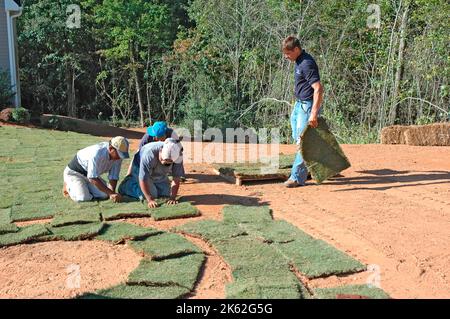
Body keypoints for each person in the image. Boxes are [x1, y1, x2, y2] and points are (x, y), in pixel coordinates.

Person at [282, 35, 324, 188]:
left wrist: (313, 113)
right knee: (297, 137)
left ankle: (296, 178)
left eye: (288, 53)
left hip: (307, 106)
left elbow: (318, 88)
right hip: (299, 105)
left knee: (303, 142)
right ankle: (315, 161)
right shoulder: (299, 60)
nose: (286, 57)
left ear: (297, 49)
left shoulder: (306, 63)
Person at [118, 138, 185, 208]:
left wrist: (173, 197)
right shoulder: (148, 155)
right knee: (151, 194)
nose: (164, 163)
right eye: (163, 160)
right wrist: (149, 199)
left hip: (157, 169)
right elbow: (143, 179)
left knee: (165, 194)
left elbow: (176, 178)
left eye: (168, 163)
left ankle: (154, 184)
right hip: (139, 165)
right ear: (160, 150)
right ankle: (126, 186)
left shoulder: (178, 156)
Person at [63, 136, 130, 202]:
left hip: (90, 175)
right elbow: (92, 178)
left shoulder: (118, 157)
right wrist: (111, 193)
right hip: (74, 173)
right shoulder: (97, 153)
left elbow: (113, 176)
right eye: (118, 154)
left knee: (104, 195)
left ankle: (84, 187)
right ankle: (68, 187)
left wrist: (112, 193)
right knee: (83, 197)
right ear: (111, 148)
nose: (119, 157)